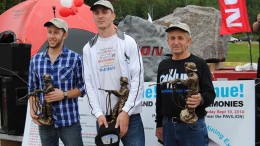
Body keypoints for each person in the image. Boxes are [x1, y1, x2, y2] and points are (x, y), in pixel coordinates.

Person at [82, 0, 145, 145]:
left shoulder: (128, 42)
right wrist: (98, 114)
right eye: (96, 13)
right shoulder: (88, 48)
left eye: (105, 12)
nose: (100, 16)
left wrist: (126, 111)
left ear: (113, 15)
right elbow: (89, 84)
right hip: (104, 118)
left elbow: (138, 79)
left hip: (130, 116)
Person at [155, 22, 216, 146]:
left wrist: (201, 99)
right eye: (172, 38)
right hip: (168, 126)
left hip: (193, 126)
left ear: (189, 41)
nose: (176, 42)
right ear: (168, 41)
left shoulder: (199, 64)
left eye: (180, 38)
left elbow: (210, 93)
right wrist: (159, 124)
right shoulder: (163, 65)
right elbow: (160, 98)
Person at [28, 17, 86, 146]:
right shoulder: (35, 60)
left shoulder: (75, 59)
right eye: (49, 32)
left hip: (69, 122)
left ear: (64, 35)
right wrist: (32, 110)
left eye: (56, 32)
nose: (52, 36)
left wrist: (64, 94)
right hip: (45, 122)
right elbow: (33, 89)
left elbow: (83, 87)